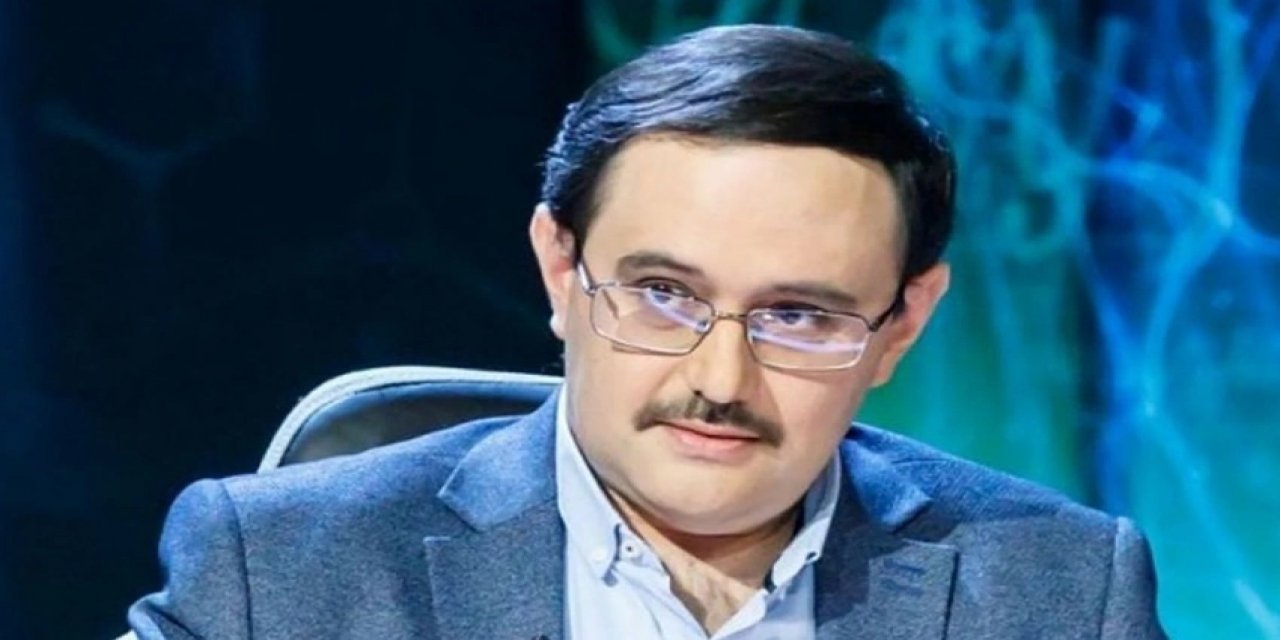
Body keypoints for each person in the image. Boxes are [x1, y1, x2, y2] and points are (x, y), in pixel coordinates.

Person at [128, 24, 1165, 639]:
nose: (720, 378)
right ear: (560, 269)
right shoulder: (282, 571)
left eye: (797, 315)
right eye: (664, 293)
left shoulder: (1060, 589)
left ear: (901, 324)